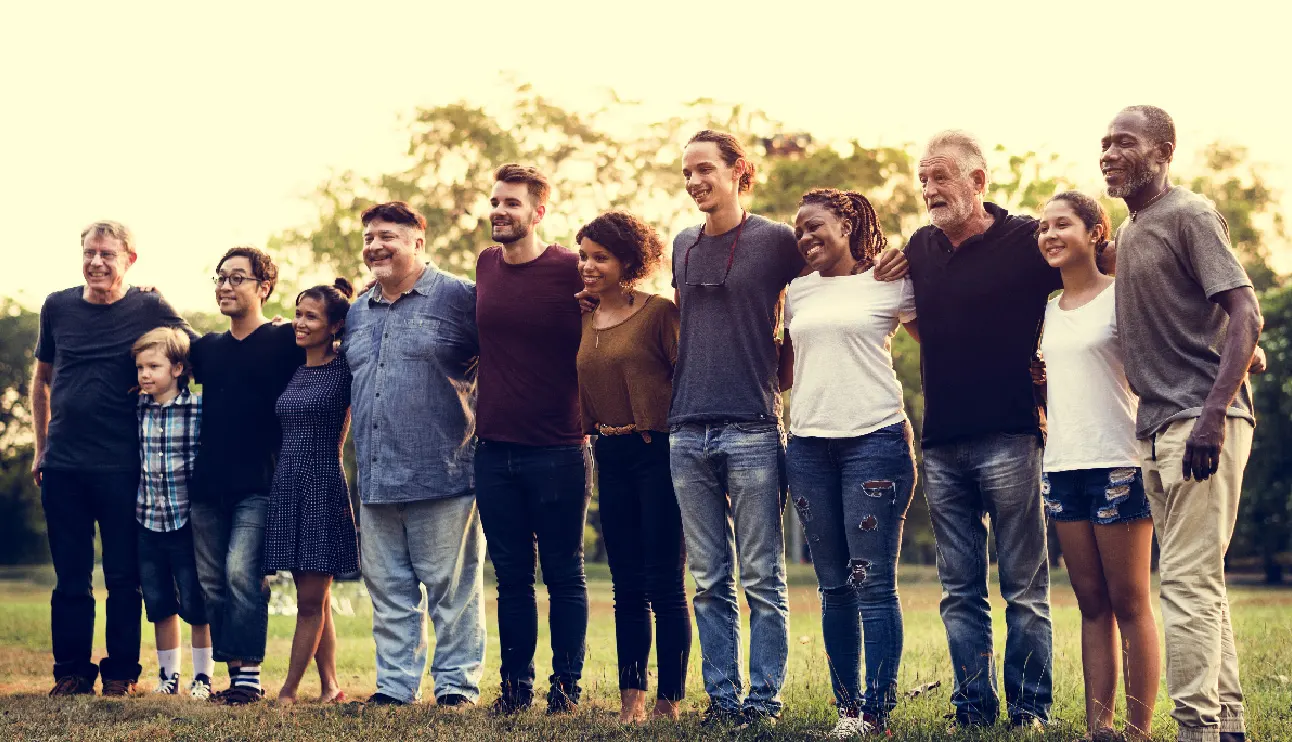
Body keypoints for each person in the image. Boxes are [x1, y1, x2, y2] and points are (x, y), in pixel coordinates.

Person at [667, 130, 908, 727]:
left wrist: (891, 257)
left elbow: (849, 278)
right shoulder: (686, 246)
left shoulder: (780, 244)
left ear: (738, 172)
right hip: (727, 431)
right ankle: (729, 701)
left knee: (770, 577)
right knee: (715, 578)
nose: (695, 180)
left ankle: (783, 703)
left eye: (706, 169)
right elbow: (773, 344)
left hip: (779, 428)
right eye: (687, 171)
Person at [1102, 105, 1262, 742]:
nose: (1110, 152)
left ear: (1163, 151)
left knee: (1186, 583)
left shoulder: (1188, 212)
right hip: (1157, 424)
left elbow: (1246, 313)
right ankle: (1226, 726)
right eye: (1105, 142)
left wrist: (1214, 417)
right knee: (1199, 579)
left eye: (1125, 142)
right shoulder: (1132, 227)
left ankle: (1193, 729)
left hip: (1200, 423)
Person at [904, 130, 1057, 729]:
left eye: (940, 176)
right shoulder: (919, 246)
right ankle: (972, 708)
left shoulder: (1026, 239)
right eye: (923, 178)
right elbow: (920, 323)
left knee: (1024, 589)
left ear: (978, 181)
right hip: (941, 442)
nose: (929, 189)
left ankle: (1030, 709)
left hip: (1012, 434)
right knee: (959, 591)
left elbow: (1089, 284)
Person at [780, 189, 919, 738]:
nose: (807, 238)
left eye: (816, 226)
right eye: (799, 232)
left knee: (873, 582)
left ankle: (876, 714)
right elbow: (784, 367)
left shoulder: (891, 281)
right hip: (809, 446)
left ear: (847, 222)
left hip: (875, 441)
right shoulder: (795, 292)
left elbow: (943, 342)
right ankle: (848, 713)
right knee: (833, 586)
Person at [32, 221, 191, 696]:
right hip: (63, 465)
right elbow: (42, 380)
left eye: (107, 254)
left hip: (125, 466)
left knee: (125, 576)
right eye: (89, 253)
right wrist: (42, 448)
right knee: (71, 578)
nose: (96, 262)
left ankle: (121, 672)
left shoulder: (149, 305)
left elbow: (192, 350)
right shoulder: (57, 306)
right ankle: (71, 672)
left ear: (129, 260)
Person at [347, 202, 486, 708]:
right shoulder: (357, 311)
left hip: (444, 471)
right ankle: (394, 686)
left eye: (387, 236)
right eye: (368, 238)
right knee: (388, 595)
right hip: (377, 478)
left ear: (418, 243)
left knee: (453, 595)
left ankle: (455, 687)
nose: (375, 246)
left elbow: (507, 356)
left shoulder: (459, 298)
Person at [1036, 191, 1160, 741]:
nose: (1050, 234)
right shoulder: (1045, 309)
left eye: (1063, 224)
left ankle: (1137, 732)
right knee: (1091, 604)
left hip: (1119, 462)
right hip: (1063, 465)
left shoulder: (1121, 297)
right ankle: (1098, 729)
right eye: (1043, 227)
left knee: (1130, 602)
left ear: (1096, 232)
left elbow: (1154, 365)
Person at [475, 164, 591, 716]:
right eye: (496, 201)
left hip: (560, 449)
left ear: (539, 212)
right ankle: (514, 689)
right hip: (493, 449)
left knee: (565, 574)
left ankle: (565, 691)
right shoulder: (484, 266)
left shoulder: (572, 270)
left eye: (512, 203)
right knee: (512, 579)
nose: (500, 211)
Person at [574, 211, 689, 724]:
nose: (588, 266)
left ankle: (670, 701)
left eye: (600, 257)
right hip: (610, 453)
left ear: (629, 263)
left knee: (664, 582)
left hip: (659, 451)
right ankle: (631, 700)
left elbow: (686, 381)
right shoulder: (582, 315)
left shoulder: (659, 313)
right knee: (625, 586)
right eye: (584, 256)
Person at [190, 247, 305, 705]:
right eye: (220, 278)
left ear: (263, 287)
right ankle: (234, 672)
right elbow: (164, 349)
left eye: (237, 278)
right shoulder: (207, 349)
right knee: (213, 582)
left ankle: (249, 677)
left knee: (243, 572)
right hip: (206, 486)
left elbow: (329, 329)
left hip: (260, 484)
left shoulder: (282, 341)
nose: (225, 286)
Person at [263, 279, 358, 705]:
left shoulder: (347, 368)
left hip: (321, 486)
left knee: (310, 600)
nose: (300, 323)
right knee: (314, 597)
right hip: (288, 485)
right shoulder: (294, 367)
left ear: (335, 326)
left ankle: (287, 692)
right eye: (298, 314)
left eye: (311, 317)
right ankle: (330, 686)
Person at [132, 327, 213, 700]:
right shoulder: (137, 408)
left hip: (186, 521)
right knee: (159, 601)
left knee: (196, 603)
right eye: (140, 368)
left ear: (178, 368)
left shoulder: (199, 407)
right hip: (147, 519)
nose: (145, 374)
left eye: (153, 366)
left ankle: (202, 678)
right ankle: (169, 675)